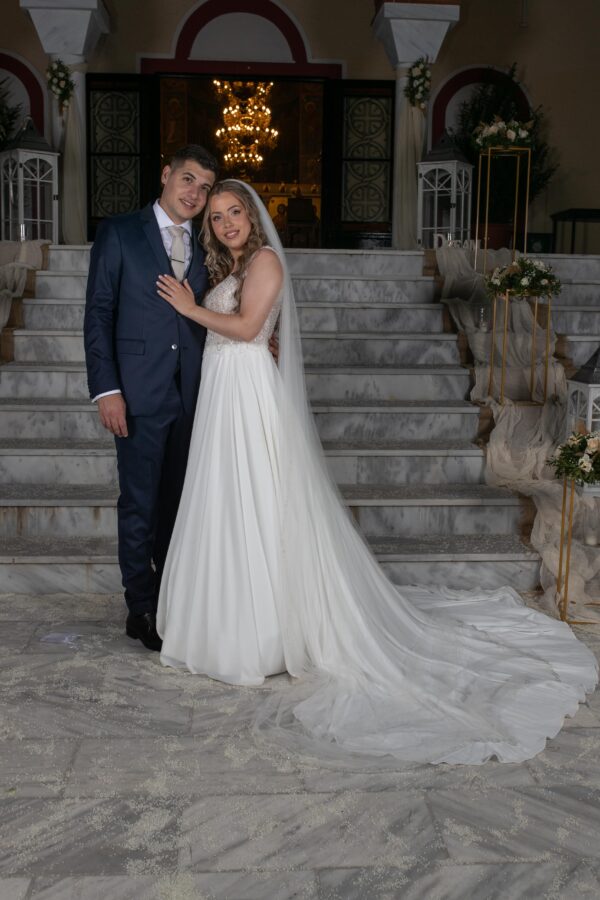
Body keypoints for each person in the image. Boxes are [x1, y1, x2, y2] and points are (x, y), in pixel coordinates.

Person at [155, 179, 598, 765]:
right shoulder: (232, 266)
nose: (227, 222)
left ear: (252, 217)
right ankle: (223, 623)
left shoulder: (264, 262)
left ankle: (264, 634)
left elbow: (248, 327)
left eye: (235, 211)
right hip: (224, 391)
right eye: (216, 217)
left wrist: (189, 308)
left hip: (245, 394)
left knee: (255, 499)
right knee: (226, 503)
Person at [84, 145, 218, 652]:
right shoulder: (120, 232)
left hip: (194, 396)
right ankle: (140, 606)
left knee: (178, 504)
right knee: (139, 504)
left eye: (205, 187)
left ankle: (169, 598)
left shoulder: (208, 242)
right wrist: (108, 389)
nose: (195, 194)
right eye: (187, 179)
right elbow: (99, 314)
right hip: (138, 394)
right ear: (166, 175)